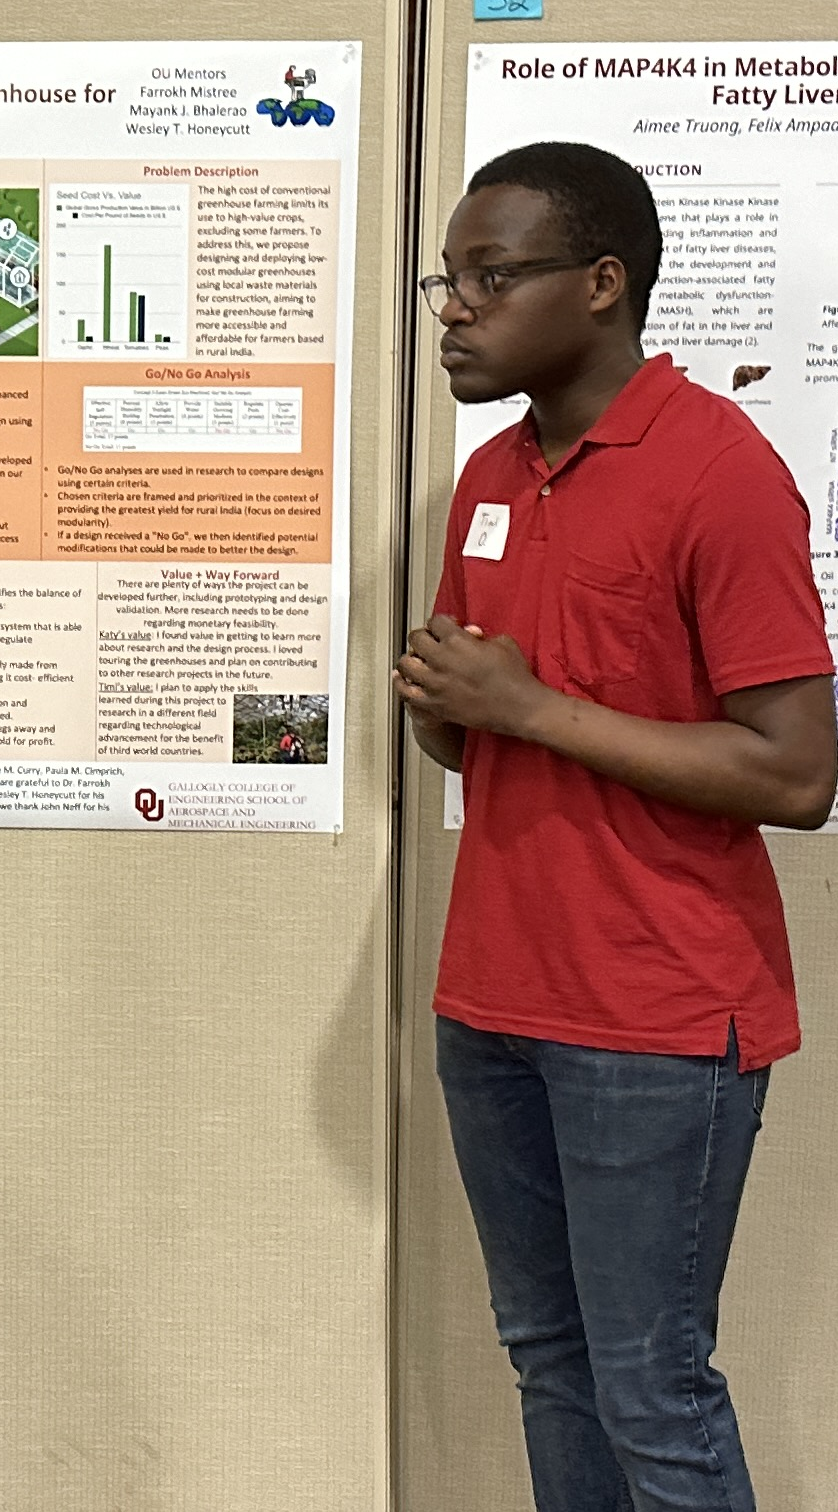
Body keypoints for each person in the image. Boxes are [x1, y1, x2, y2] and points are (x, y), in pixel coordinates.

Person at [396, 143, 836, 1512]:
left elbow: (797, 776)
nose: (458, 308)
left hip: (657, 1017)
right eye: (447, 280)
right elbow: (478, 732)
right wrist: (447, 705)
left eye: (492, 275)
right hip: (494, 997)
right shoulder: (486, 478)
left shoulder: (722, 473)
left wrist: (526, 710)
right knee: (550, 1362)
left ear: (602, 285)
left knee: (652, 1385)